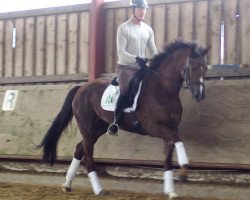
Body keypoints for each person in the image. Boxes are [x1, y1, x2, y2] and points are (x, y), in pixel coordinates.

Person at [107, 0, 158, 135]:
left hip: (142, 67)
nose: (143, 12)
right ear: (133, 10)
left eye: (145, 9)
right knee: (126, 89)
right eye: (140, 9)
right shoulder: (123, 28)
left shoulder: (148, 29)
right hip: (126, 67)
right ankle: (115, 122)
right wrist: (136, 58)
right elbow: (121, 52)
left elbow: (153, 50)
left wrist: (159, 59)